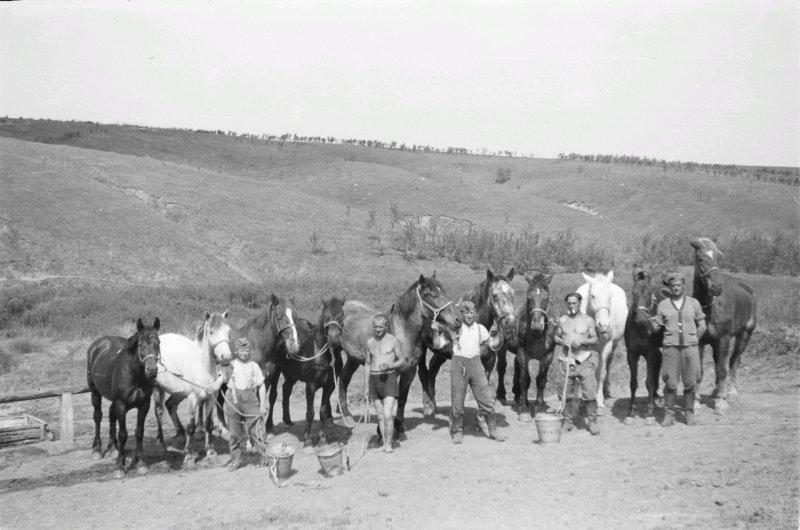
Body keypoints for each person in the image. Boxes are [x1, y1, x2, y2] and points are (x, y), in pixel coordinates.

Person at [649, 270, 706, 426]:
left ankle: (689, 413)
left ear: (684, 286)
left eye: (679, 285)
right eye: (673, 286)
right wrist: (652, 323)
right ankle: (669, 414)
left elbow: (702, 325)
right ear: (670, 288)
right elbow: (656, 328)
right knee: (670, 382)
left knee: (691, 381)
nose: (676, 288)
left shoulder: (694, 303)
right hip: (671, 349)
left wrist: (693, 340)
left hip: (690, 349)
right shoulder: (663, 305)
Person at [446, 300, 506, 444]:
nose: (468, 315)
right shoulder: (454, 328)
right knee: (457, 400)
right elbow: (438, 343)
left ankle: (493, 430)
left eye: (471, 312)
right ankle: (457, 431)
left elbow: (493, 344)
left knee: (485, 397)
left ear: (475, 314)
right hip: (459, 364)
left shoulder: (480, 328)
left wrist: (499, 332)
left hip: (476, 363)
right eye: (465, 312)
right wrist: (437, 330)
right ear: (461, 314)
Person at [207, 337, 267, 470]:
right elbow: (220, 380)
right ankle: (236, 460)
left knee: (256, 430)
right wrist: (212, 387)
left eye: (247, 350)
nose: (245, 352)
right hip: (233, 401)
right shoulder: (230, 366)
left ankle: (264, 456)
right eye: (242, 350)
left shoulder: (254, 366)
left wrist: (263, 405)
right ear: (236, 351)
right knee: (234, 434)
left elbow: (261, 386)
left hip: (251, 399)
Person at [554, 292, 600, 435]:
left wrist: (582, 341)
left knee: (590, 392)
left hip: (584, 360)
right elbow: (556, 336)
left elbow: (596, 340)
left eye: (574, 303)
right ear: (566, 304)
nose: (572, 305)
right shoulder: (562, 320)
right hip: (566, 362)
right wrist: (563, 341)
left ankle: (592, 421)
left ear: (580, 304)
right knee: (564, 394)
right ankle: (567, 420)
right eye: (569, 303)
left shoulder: (588, 320)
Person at [365, 314, 404, 453]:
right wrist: (366, 386)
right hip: (374, 380)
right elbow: (368, 364)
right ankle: (383, 441)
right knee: (380, 415)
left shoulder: (393, 340)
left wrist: (390, 365)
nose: (378, 330)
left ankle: (389, 444)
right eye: (376, 327)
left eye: (381, 327)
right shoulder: (369, 342)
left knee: (387, 414)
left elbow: (402, 360)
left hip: (389, 378)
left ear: (386, 326)